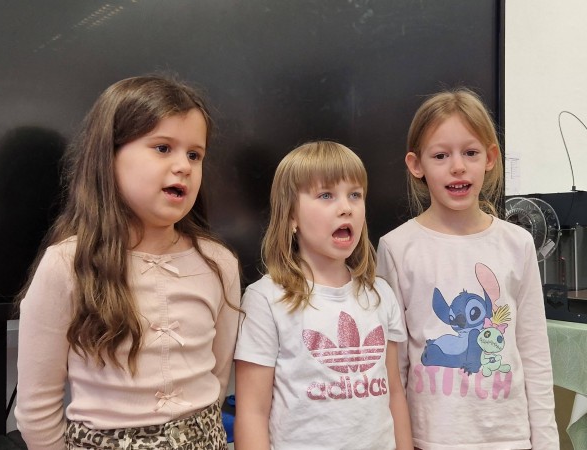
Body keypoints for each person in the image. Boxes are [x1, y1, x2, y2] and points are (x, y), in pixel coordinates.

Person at [14, 74, 241, 450]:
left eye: (194, 155)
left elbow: (217, 377)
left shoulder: (219, 263)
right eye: (163, 148)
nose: (184, 166)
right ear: (109, 156)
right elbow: (37, 408)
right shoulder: (66, 264)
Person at [376, 88, 559, 449]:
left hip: (508, 439)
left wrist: (546, 441)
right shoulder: (397, 248)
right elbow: (393, 368)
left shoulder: (518, 243)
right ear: (416, 165)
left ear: (490, 158)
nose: (457, 166)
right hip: (431, 439)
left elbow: (534, 352)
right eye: (441, 155)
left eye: (470, 153)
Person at [234, 141, 413, 450]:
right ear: (291, 216)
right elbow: (252, 412)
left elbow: (394, 392)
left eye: (355, 195)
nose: (346, 207)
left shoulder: (381, 294)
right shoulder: (265, 299)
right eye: (326, 195)